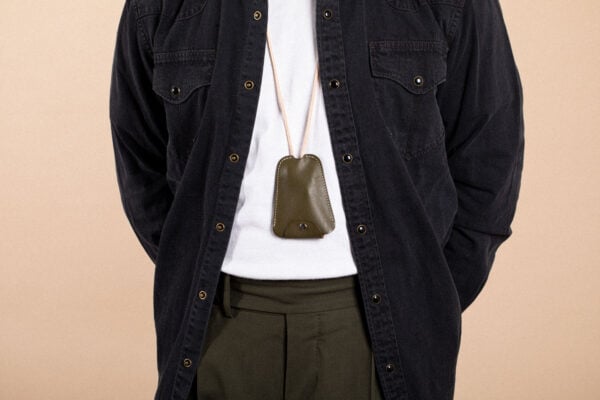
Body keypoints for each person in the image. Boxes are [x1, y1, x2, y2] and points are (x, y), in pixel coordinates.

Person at [108, 0, 524, 399]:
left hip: (375, 325)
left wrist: (428, 292)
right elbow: (139, 155)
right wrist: (187, 264)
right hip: (217, 321)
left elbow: (490, 148)